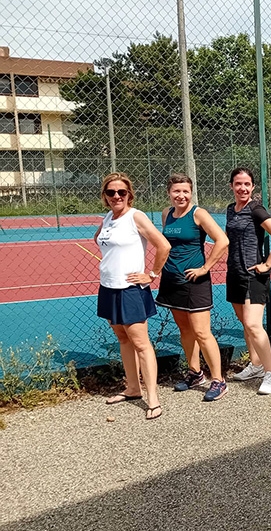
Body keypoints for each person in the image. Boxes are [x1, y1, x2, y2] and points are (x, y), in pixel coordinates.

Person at [96, 172, 171, 420]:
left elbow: (164, 245)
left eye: (121, 192)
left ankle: (153, 399)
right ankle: (132, 388)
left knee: (140, 342)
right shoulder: (107, 217)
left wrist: (152, 274)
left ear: (129, 194)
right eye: (111, 192)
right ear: (105, 197)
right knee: (122, 338)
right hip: (108, 287)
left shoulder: (135, 217)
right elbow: (98, 239)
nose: (116, 196)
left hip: (130, 290)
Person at [155, 174, 230, 401]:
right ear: (169, 193)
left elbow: (222, 240)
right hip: (171, 280)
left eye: (186, 191)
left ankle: (219, 380)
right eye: (177, 191)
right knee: (185, 330)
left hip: (195, 282)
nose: (181, 195)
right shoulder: (167, 214)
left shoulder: (199, 214)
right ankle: (195, 373)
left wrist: (205, 268)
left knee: (201, 332)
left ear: (191, 192)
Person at [226, 168, 271, 395]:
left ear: (253, 187)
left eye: (247, 184)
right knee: (246, 324)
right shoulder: (231, 210)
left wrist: (268, 263)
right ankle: (256, 365)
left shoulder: (256, 209)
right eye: (238, 184)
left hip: (254, 275)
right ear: (232, 185)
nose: (242, 188)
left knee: (253, 324)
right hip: (234, 274)